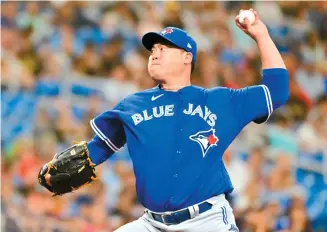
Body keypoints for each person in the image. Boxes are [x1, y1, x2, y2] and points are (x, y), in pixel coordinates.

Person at [39, 9, 289, 232]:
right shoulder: (132, 105)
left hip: (206, 221)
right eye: (153, 50)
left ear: (187, 57)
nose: (155, 54)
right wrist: (59, 172)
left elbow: (277, 91)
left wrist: (262, 36)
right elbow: (99, 147)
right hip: (151, 223)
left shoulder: (220, 101)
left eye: (164, 48)